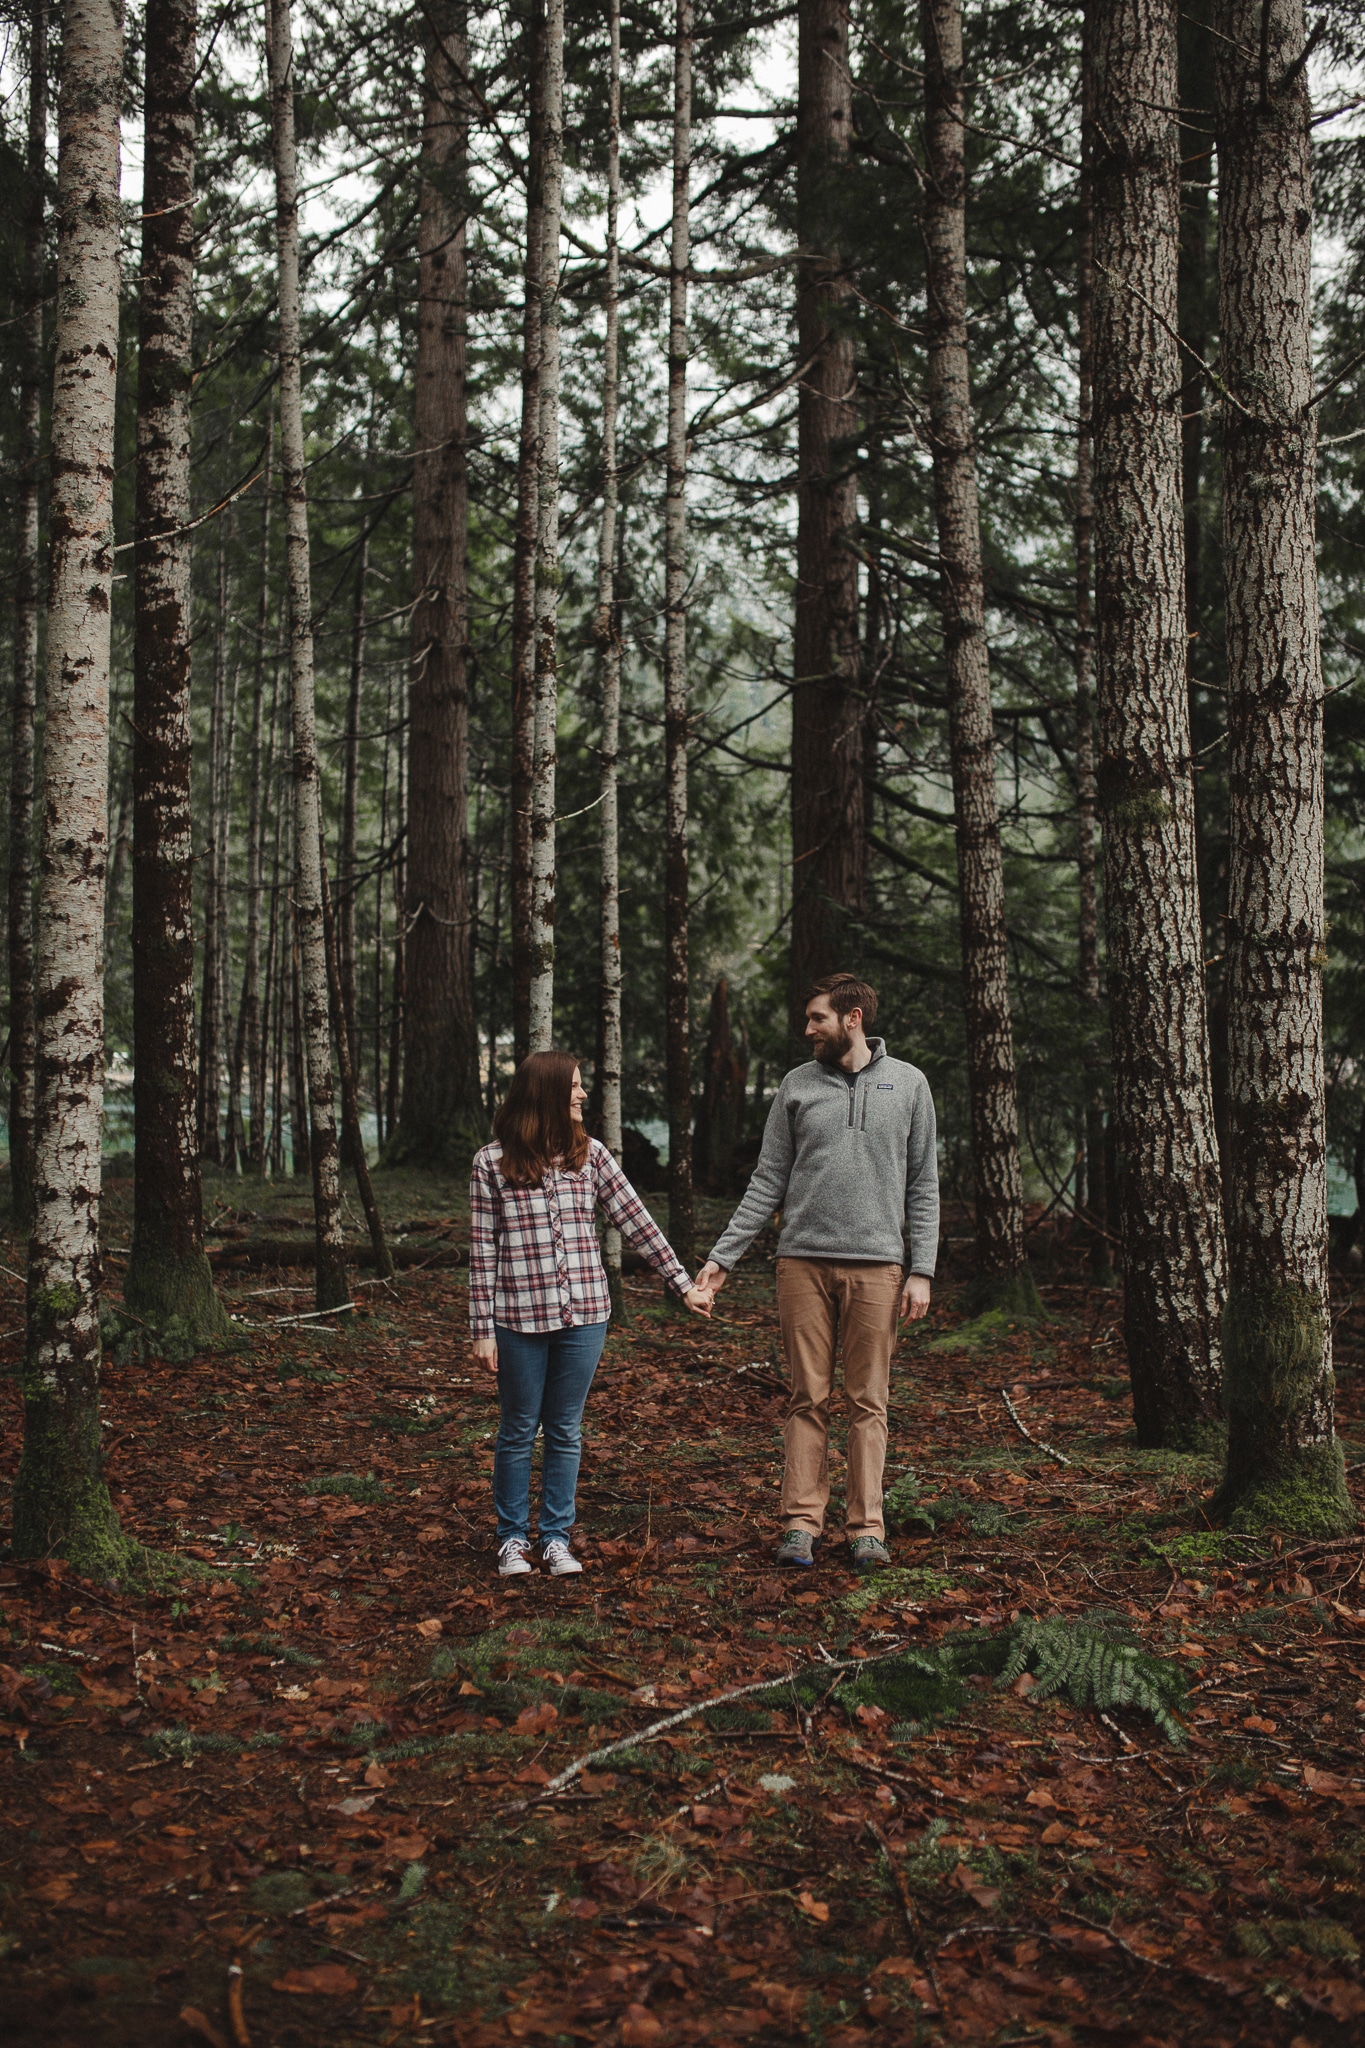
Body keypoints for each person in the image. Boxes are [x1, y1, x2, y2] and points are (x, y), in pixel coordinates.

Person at [695, 974, 938, 1572]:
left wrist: (922, 1269)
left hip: (879, 1267)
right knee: (807, 1396)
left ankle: (866, 1529)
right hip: (801, 1262)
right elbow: (766, 1179)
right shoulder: (796, 1086)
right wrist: (723, 1258)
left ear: (851, 1018)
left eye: (817, 1019)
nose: (807, 1030)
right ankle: (801, 1523)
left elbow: (923, 1184)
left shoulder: (908, 1084)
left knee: (868, 1401)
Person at [470, 1050, 712, 1578]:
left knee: (564, 1429)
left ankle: (555, 1538)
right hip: (518, 1319)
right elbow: (483, 1250)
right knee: (517, 1429)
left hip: (585, 1317)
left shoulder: (593, 1155)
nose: (583, 1095)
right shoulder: (491, 1162)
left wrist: (682, 1283)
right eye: (575, 1086)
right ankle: (512, 1539)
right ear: (547, 1093)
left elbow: (637, 1222)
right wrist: (481, 1329)